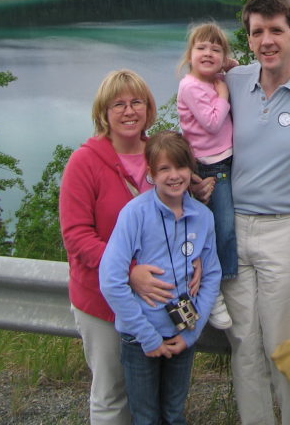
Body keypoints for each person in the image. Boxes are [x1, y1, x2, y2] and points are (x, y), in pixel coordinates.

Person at [191, 0, 290, 425]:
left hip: (284, 232)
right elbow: (199, 131)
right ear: (249, 39)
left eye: (276, 30)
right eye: (258, 32)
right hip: (233, 229)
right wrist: (196, 177)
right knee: (244, 344)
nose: (267, 40)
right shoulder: (233, 81)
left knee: (285, 344)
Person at [99, 131, 221, 425]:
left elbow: (212, 273)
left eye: (180, 167)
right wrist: (147, 336)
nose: (174, 176)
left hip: (181, 334)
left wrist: (191, 334)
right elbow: (111, 280)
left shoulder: (202, 217)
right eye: (164, 169)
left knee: (174, 414)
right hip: (140, 338)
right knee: (145, 417)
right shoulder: (135, 214)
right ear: (151, 173)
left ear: (190, 169)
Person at [59, 69, 159, 425]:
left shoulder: (159, 155)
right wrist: (129, 272)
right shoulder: (84, 162)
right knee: (112, 392)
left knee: (150, 394)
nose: (129, 111)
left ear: (149, 109)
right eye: (118, 104)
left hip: (154, 298)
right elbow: (77, 235)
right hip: (103, 300)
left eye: (137, 102)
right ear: (103, 113)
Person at [176, 22, 235, 330]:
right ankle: (216, 291)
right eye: (201, 48)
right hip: (210, 167)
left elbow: (235, 67)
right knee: (220, 229)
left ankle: (221, 282)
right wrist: (224, 90)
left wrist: (227, 68)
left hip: (227, 161)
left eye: (216, 49)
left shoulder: (215, 79)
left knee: (225, 228)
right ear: (190, 55)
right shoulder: (191, 86)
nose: (208, 53)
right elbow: (212, 123)